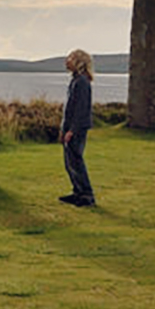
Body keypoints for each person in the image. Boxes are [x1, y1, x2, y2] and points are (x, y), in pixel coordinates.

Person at [59, 48, 96, 207]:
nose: (67, 61)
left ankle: (86, 195)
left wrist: (72, 130)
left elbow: (81, 109)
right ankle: (78, 192)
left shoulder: (81, 82)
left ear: (78, 62)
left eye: (70, 58)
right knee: (70, 163)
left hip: (77, 128)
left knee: (76, 161)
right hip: (71, 127)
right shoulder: (76, 80)